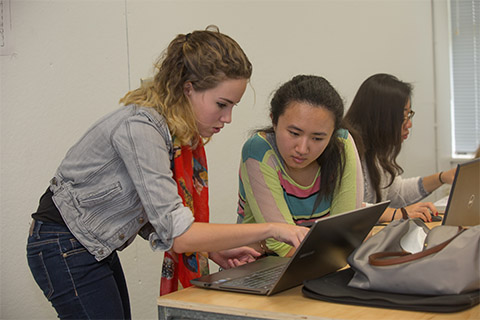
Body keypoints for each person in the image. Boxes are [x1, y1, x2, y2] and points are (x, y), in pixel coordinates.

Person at [26, 26, 308, 319]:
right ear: (188, 89)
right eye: (221, 105)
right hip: (62, 243)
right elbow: (179, 235)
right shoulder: (142, 129)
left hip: (89, 243)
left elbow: (158, 216)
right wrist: (273, 229)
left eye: (232, 106)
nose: (228, 118)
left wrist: (212, 251)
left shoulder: (172, 133)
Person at [237, 75, 364, 258]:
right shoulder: (258, 151)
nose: (302, 149)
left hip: (316, 261)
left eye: (318, 138)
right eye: (294, 133)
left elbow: (345, 229)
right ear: (274, 120)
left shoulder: (342, 144)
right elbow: (280, 242)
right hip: (258, 263)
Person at [343, 73, 456, 223]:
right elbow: (349, 208)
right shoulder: (346, 151)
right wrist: (398, 213)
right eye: (404, 115)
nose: (409, 124)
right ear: (382, 117)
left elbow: (397, 193)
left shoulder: (376, 152)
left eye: (409, 114)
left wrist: (442, 177)